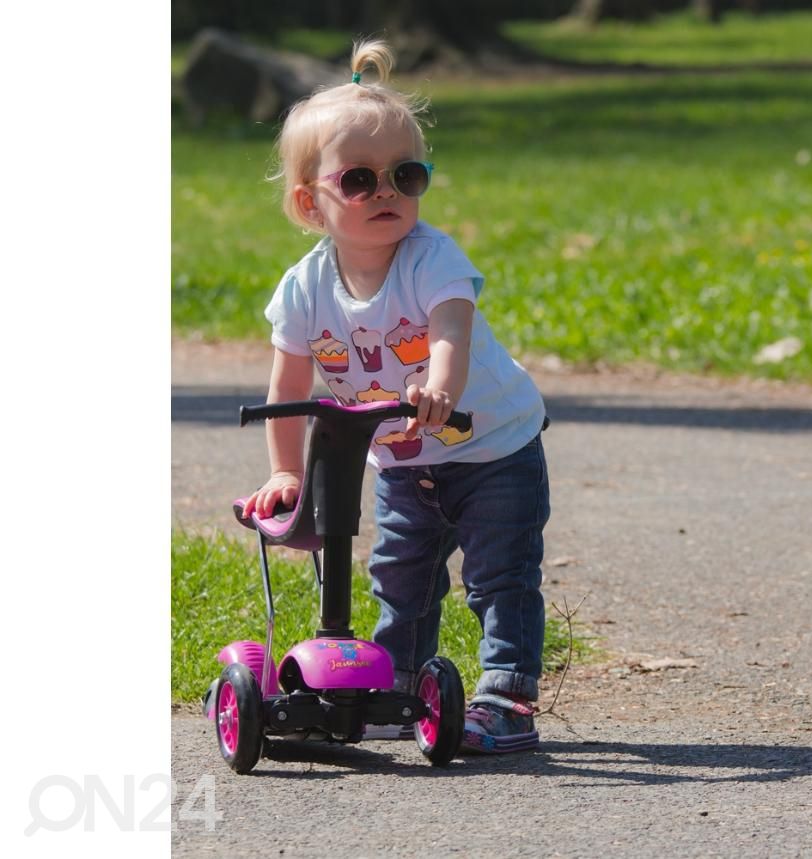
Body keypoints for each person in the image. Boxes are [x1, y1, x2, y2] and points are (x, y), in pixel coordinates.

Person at [241, 39, 549, 754]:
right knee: (400, 578)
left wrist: (439, 388)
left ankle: (508, 697)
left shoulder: (431, 257)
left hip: (492, 445)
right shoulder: (304, 288)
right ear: (308, 202)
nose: (387, 191)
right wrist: (288, 471)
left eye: (406, 175)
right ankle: (398, 690)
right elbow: (289, 388)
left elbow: (450, 330)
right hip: (405, 461)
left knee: (499, 574)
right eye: (358, 179)